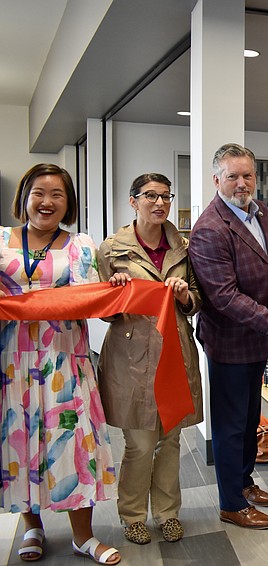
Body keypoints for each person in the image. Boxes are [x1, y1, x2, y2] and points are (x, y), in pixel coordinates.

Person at [1, 164, 120, 564]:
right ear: (24, 197)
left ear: (68, 203)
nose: (47, 201)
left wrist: (114, 289)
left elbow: (92, 300)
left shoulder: (81, 246)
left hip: (66, 363)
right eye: (38, 192)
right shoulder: (1, 242)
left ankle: (83, 537)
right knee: (20, 443)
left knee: (71, 445)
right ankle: (31, 526)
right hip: (12, 365)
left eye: (57, 194)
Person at [189, 143, 268, 530]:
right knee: (230, 424)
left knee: (249, 418)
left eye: (247, 176)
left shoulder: (261, 211)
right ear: (216, 180)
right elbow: (224, 297)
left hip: (257, 340)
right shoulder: (209, 228)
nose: (242, 183)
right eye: (233, 176)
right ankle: (231, 502)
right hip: (230, 340)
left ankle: (244, 481)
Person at [97, 173, 203, 544]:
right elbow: (104, 310)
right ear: (133, 201)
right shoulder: (111, 249)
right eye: (150, 196)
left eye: (166, 197)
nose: (159, 203)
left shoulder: (184, 247)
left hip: (174, 350)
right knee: (139, 443)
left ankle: (167, 513)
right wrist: (116, 295)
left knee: (170, 439)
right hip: (130, 356)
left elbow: (196, 301)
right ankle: (132, 515)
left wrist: (183, 294)